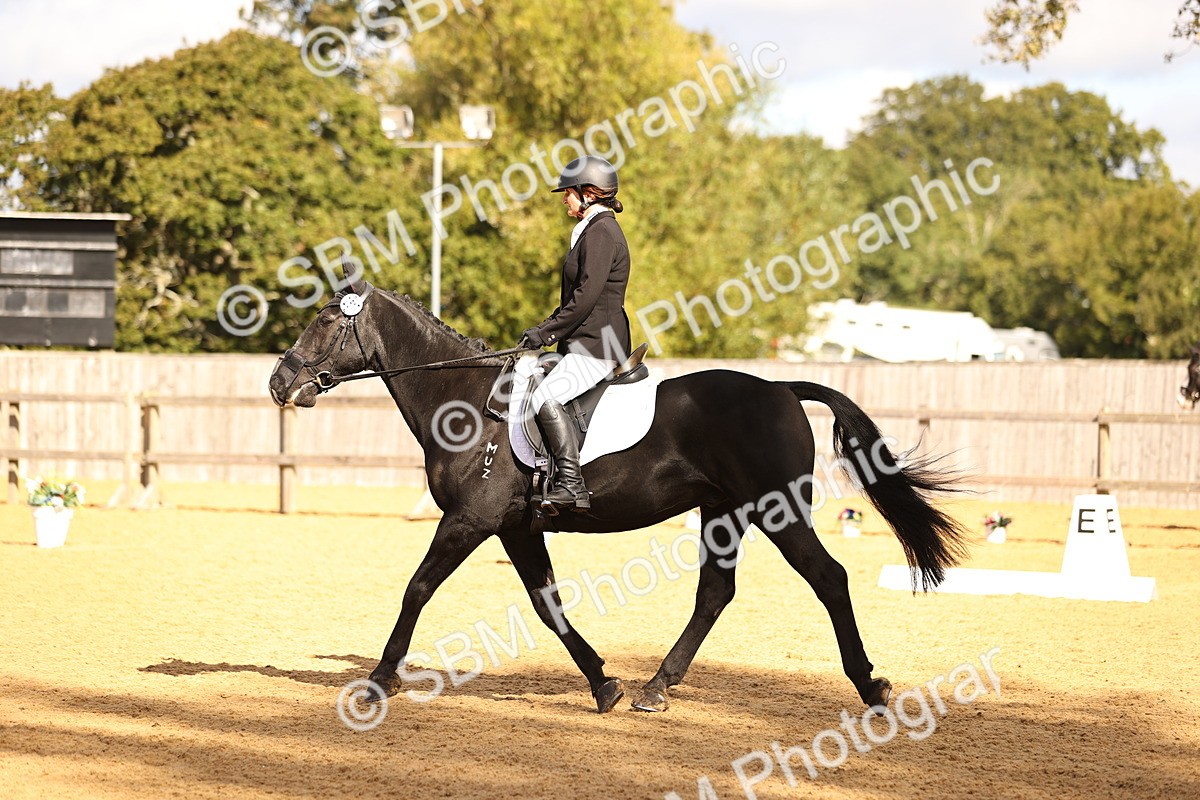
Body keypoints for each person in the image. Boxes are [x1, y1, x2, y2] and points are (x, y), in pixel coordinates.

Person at [519, 155, 632, 510]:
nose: (564, 199)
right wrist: (543, 330)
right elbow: (574, 299)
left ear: (589, 193)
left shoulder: (602, 233)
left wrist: (546, 333)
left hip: (597, 346)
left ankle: (571, 485)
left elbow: (585, 298)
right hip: (584, 343)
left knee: (545, 397)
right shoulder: (592, 230)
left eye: (568, 192)